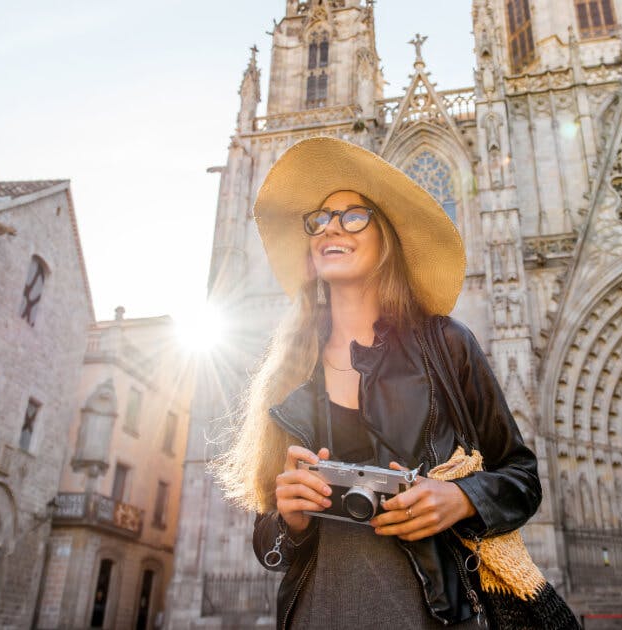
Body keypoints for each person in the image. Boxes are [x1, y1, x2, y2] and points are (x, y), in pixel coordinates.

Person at [212, 137, 555, 628]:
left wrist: (460, 499)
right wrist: (289, 516)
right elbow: (271, 542)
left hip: (431, 612)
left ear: (385, 237)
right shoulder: (291, 369)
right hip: (318, 610)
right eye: (320, 219)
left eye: (353, 215)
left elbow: (521, 478)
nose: (332, 226)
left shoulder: (445, 344)